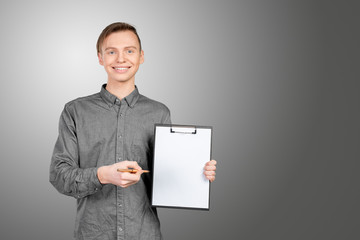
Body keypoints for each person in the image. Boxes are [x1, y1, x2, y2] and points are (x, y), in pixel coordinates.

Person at [50, 22, 217, 240]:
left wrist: (197, 174)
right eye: (111, 52)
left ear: (141, 56)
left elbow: (164, 179)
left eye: (129, 51)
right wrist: (103, 175)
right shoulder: (75, 111)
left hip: (144, 234)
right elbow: (59, 175)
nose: (121, 59)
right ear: (100, 58)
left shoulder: (159, 112)